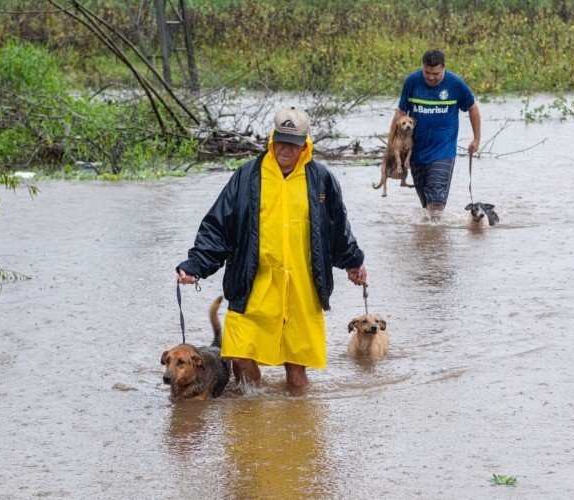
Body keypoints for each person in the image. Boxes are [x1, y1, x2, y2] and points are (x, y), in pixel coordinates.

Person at [176, 106, 367, 389]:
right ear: (271, 139)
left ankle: (296, 424)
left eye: (293, 143)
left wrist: (353, 261)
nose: (285, 150)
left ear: (305, 145)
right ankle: (252, 410)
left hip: (302, 288)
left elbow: (337, 228)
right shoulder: (247, 177)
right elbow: (218, 225)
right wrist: (196, 265)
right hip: (254, 283)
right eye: (281, 141)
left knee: (297, 376)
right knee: (239, 352)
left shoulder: (320, 179)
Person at [390, 49, 481, 216]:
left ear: (444, 67)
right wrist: (390, 144)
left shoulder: (455, 84)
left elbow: (472, 108)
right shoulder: (412, 82)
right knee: (426, 204)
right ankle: (429, 239)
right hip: (416, 151)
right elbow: (400, 113)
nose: (431, 77)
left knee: (436, 202)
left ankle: (437, 238)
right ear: (423, 67)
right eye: (427, 72)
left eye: (436, 73)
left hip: (443, 150)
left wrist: (476, 139)